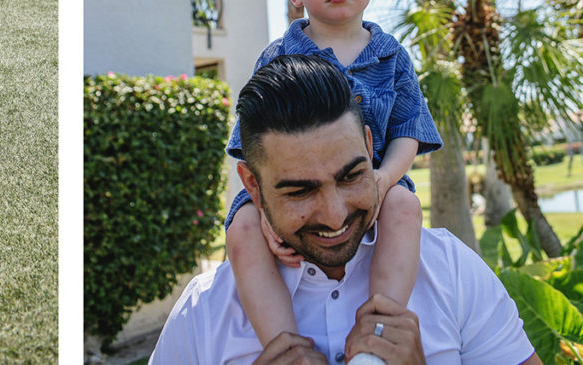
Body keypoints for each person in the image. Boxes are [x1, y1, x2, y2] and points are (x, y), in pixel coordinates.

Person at [150, 55, 539, 364]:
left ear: (370, 146)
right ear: (252, 184)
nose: (335, 215)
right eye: (300, 192)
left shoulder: (451, 269)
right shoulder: (203, 311)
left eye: (351, 175)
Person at [224, 0, 442, 350]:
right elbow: (252, 145)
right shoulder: (279, 56)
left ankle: (381, 329)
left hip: (372, 184)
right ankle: (286, 346)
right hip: (289, 189)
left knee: (404, 208)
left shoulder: (391, 56)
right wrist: (267, 212)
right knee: (241, 230)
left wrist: (385, 177)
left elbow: (408, 129)